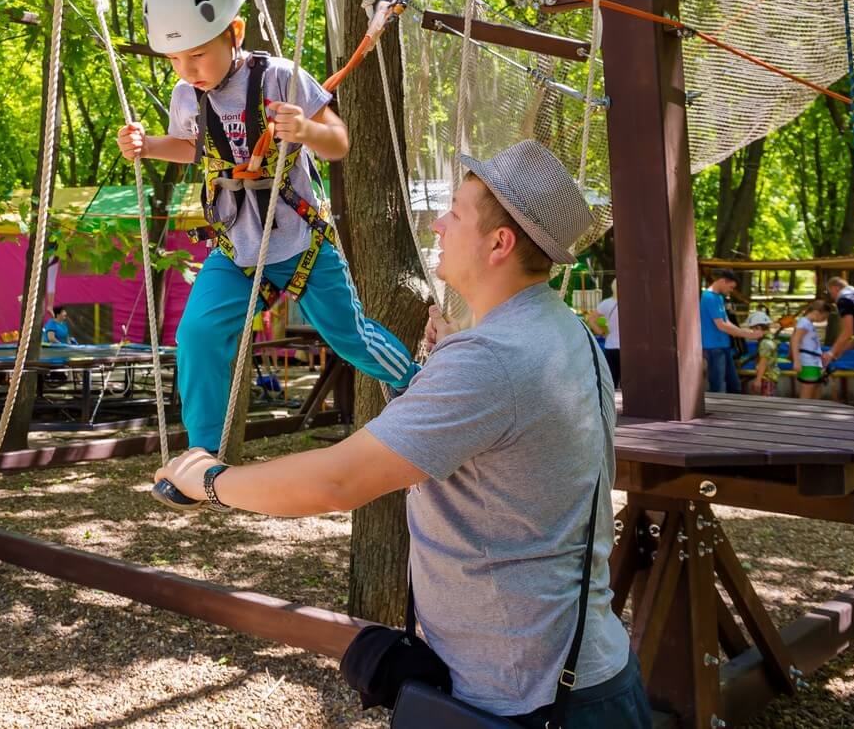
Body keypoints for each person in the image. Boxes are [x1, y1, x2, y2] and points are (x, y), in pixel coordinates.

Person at [152, 141, 650, 726]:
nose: (438, 224)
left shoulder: (490, 358)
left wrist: (212, 480)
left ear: (500, 243)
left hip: (527, 698)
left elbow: (339, 481)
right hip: (575, 673)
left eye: (456, 213)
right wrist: (444, 369)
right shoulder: (564, 331)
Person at [116, 0, 417, 460]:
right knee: (198, 335)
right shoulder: (188, 95)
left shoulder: (278, 75)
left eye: (197, 55)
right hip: (236, 246)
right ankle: (202, 455)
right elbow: (191, 148)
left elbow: (338, 141)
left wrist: (303, 128)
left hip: (300, 240)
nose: (188, 70)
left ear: (234, 34)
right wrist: (148, 148)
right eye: (175, 59)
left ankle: (420, 386)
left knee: (348, 337)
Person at [700, 270, 764, 394]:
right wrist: (747, 334)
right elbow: (721, 325)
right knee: (718, 386)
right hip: (713, 347)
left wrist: (743, 331)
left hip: (724, 346)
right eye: (731, 287)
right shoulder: (708, 297)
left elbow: (726, 321)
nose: (731, 291)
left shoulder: (718, 297)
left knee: (734, 385)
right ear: (723, 281)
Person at [790, 299, 831, 400]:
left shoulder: (808, 323)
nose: (824, 320)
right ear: (817, 313)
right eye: (824, 317)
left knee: (816, 391)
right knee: (807, 395)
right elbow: (795, 340)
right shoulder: (804, 323)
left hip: (814, 362)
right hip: (808, 362)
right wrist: (796, 360)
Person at [593, 278, 621, 388]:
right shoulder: (632, 302)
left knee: (612, 381)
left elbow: (591, 319)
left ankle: (613, 403)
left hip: (611, 345)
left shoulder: (607, 303)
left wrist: (601, 332)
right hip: (630, 348)